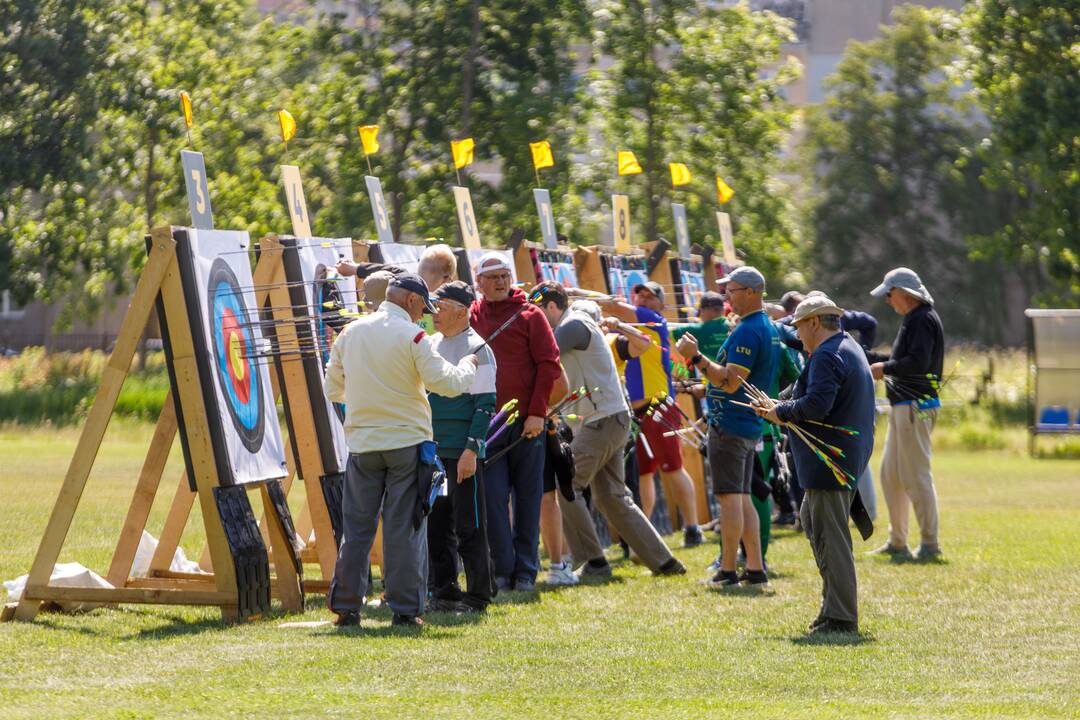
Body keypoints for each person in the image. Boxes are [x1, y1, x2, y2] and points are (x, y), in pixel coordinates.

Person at [325, 274, 477, 628]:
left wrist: (367, 405)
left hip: (363, 444)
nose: (422, 315)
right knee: (403, 529)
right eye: (422, 308)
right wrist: (468, 367)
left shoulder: (350, 333)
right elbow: (447, 384)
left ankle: (347, 609)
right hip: (407, 444)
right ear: (410, 301)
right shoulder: (414, 336)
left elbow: (333, 387)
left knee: (357, 529)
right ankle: (406, 611)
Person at [535, 283, 687, 579]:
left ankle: (593, 563)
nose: (537, 320)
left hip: (601, 420)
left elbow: (546, 350)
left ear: (552, 307)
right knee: (613, 497)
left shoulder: (574, 323)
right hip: (607, 419)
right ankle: (664, 562)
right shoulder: (578, 320)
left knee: (566, 484)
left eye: (539, 312)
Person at [752, 294, 876, 635]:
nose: (798, 334)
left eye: (800, 326)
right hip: (838, 458)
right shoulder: (843, 346)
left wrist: (781, 412)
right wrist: (779, 403)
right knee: (813, 520)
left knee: (831, 536)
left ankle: (840, 617)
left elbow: (817, 406)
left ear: (815, 323)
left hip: (830, 461)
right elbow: (809, 393)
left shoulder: (827, 354)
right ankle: (831, 607)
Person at [569, 280, 704, 548]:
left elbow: (615, 305)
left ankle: (692, 527)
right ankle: (643, 534)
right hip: (637, 410)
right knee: (643, 473)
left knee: (672, 468)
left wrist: (577, 294)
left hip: (658, 406)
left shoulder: (651, 320)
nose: (642, 300)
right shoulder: (627, 328)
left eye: (649, 296)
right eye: (638, 295)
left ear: (661, 306)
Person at [675, 266, 779, 588]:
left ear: (750, 292)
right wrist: (706, 388)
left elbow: (731, 381)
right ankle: (755, 567)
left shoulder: (748, 329)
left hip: (732, 424)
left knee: (729, 498)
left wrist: (696, 358)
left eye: (731, 290)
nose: (726, 297)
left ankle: (728, 570)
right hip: (745, 423)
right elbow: (741, 380)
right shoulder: (764, 326)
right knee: (742, 496)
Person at [470, 252, 563, 592]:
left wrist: (537, 412)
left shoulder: (531, 315)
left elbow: (548, 365)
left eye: (504, 275)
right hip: (487, 425)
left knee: (528, 496)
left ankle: (525, 570)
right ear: (478, 282)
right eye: (492, 276)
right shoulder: (471, 316)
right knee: (493, 497)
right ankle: (502, 568)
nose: (500, 282)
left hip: (527, 422)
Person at [426, 281, 497, 613]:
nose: (434, 313)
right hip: (434, 451)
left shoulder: (479, 348)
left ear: (460, 310)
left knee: (470, 525)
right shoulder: (431, 343)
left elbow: (485, 405)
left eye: (440, 306)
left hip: (462, 452)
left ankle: (479, 594)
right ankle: (445, 590)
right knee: (438, 524)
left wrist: (471, 450)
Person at [866, 267, 945, 561]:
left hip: (915, 406)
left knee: (916, 476)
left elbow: (918, 362)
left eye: (889, 294)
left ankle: (929, 543)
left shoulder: (922, 319)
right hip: (904, 406)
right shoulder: (914, 319)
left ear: (903, 292)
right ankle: (897, 540)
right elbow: (904, 359)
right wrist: (873, 358)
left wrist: (884, 368)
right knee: (891, 475)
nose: (888, 300)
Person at [671, 291, 730, 362]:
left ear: (705, 310)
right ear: (723, 310)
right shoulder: (733, 326)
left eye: (700, 311)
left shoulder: (699, 329)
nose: (700, 315)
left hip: (711, 371)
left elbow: (667, 332)